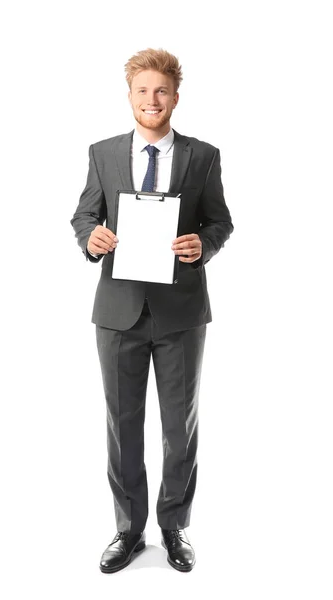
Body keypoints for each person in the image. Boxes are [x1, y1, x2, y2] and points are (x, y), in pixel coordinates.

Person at [70, 47, 234, 573]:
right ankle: (128, 529)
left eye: (161, 90)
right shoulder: (103, 152)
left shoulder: (202, 156)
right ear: (130, 96)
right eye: (142, 90)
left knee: (178, 427)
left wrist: (202, 245)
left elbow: (220, 220)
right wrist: (91, 238)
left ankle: (174, 526)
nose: (152, 100)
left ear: (175, 97)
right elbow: (83, 214)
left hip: (181, 312)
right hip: (118, 312)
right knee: (122, 423)